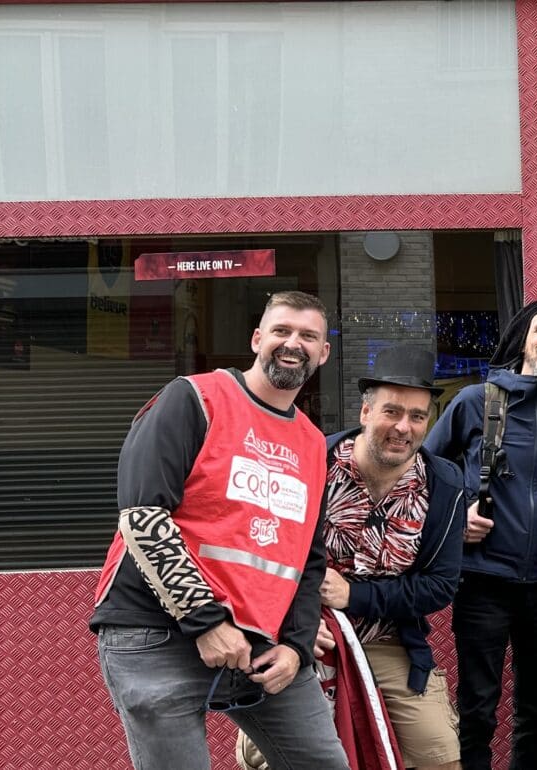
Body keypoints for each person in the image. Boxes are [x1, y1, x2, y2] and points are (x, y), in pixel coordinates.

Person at [90, 290, 348, 769]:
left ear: (324, 352)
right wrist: (207, 622)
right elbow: (143, 517)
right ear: (257, 339)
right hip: (158, 632)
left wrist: (296, 647)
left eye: (308, 336)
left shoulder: (312, 443)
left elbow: (308, 559)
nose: (293, 343)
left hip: (262, 647)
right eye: (281, 331)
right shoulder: (195, 398)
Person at [237, 345, 471, 770]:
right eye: (391, 412)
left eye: (417, 416)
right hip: (299, 634)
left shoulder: (444, 485)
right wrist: (294, 624)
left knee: (439, 752)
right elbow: (258, 552)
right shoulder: (310, 462)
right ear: (365, 412)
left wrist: (354, 596)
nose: (403, 427)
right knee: (271, 756)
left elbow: (440, 587)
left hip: (386, 640)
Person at [425, 300, 537, 770]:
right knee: (477, 708)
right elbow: (423, 474)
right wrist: (458, 517)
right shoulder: (474, 402)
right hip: (482, 581)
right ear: (523, 340)